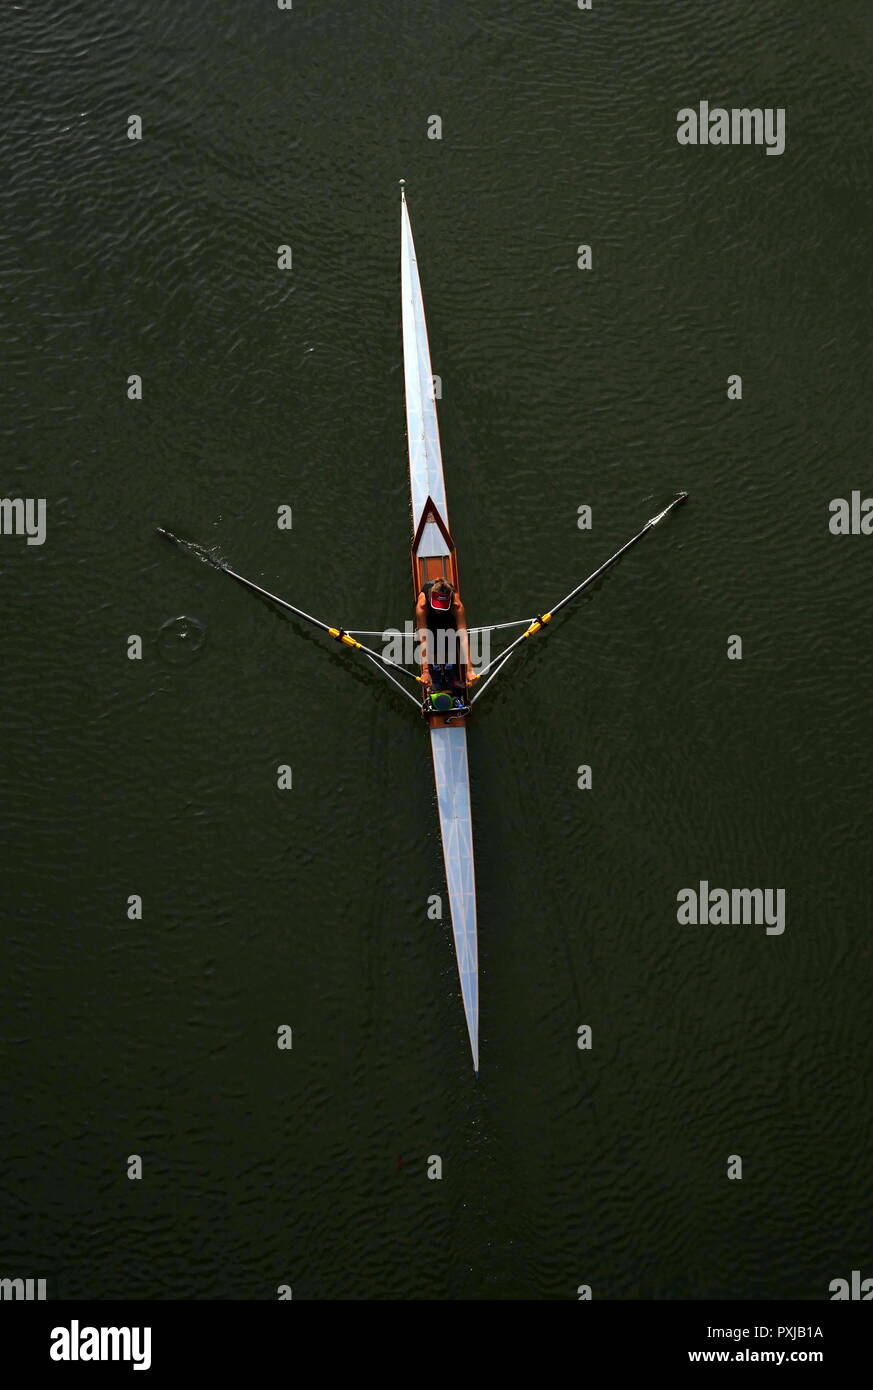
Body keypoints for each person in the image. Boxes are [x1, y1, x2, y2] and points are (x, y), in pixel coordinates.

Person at [415, 577, 470, 707]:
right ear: (430, 598)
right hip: (429, 621)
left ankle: (449, 668)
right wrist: (426, 671)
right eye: (437, 606)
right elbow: (424, 638)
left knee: (450, 638)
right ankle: (434, 669)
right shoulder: (422, 605)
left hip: (447, 620)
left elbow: (463, 636)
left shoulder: (456, 605)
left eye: (442, 606)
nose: (439, 609)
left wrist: (469, 669)